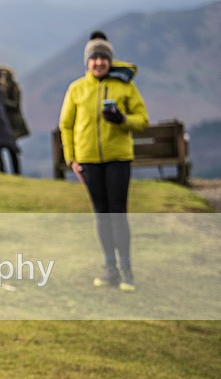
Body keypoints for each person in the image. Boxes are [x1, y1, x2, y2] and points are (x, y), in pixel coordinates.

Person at [59, 31, 149, 292]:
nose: (99, 62)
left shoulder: (125, 87)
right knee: (101, 214)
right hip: (88, 162)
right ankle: (109, 267)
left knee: (118, 213)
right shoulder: (76, 88)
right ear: (87, 61)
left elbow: (142, 120)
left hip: (118, 159)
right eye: (94, 57)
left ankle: (126, 270)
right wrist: (71, 159)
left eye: (103, 57)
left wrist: (123, 120)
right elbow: (66, 125)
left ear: (110, 60)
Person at [0, 64, 29, 175]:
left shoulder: (14, 87)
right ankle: (1, 171)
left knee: (12, 149)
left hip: (12, 123)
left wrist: (2, 100)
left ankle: (16, 172)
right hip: (3, 122)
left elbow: (15, 104)